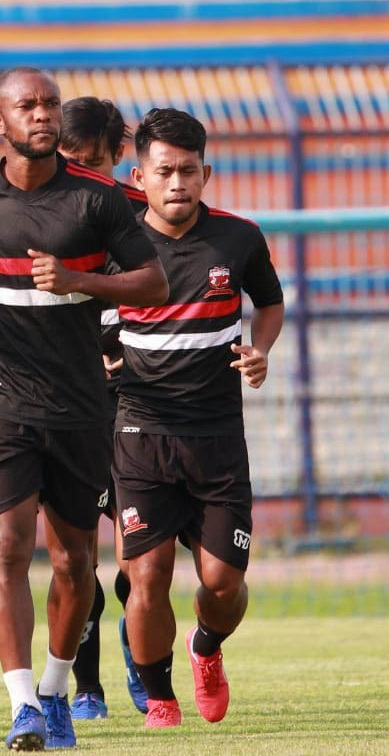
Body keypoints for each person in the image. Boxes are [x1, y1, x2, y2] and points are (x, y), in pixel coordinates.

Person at [0, 67, 168, 751]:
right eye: (27, 106)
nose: (42, 115)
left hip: (79, 405)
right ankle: (22, 705)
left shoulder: (96, 198)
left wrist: (80, 281)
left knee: (72, 563)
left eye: (50, 105)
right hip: (1, 400)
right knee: (7, 547)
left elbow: (151, 280)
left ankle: (59, 689)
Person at [117, 108, 283, 728]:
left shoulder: (238, 238)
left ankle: (205, 648)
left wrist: (260, 350)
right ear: (141, 176)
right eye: (165, 171)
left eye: (189, 170)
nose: (178, 182)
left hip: (216, 437)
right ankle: (158, 696)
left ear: (206, 172)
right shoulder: (119, 246)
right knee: (148, 571)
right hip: (140, 432)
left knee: (220, 582)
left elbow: (269, 302)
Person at [55, 95, 150, 719]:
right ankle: (86, 686)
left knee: (139, 552)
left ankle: (140, 654)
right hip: (68, 402)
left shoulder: (145, 216)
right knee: (77, 554)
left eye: (92, 161)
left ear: (119, 155)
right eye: (71, 160)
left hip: (143, 402)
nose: (81, 172)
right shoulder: (41, 212)